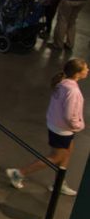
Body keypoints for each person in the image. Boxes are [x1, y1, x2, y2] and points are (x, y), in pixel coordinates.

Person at [6, 58, 87, 196]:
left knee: (68, 151)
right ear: (78, 73)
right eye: (86, 68)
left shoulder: (62, 84)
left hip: (58, 126)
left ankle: (59, 183)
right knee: (55, 157)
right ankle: (19, 173)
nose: (88, 70)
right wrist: (79, 125)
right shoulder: (72, 91)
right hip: (62, 129)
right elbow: (69, 115)